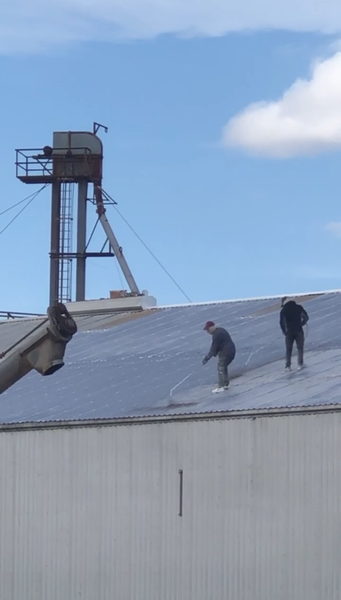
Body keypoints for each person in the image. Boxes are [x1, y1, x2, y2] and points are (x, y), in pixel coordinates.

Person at [202, 321, 236, 393]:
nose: (208, 332)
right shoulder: (220, 330)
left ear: (212, 327)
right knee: (223, 367)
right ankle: (226, 384)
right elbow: (217, 347)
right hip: (231, 350)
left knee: (221, 367)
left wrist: (207, 358)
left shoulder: (217, 334)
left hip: (226, 352)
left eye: (208, 329)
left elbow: (214, 347)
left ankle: (221, 386)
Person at [280, 297, 309, 371]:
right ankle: (300, 364)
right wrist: (301, 324)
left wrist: (285, 332)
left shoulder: (283, 311)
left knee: (288, 349)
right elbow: (306, 317)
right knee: (300, 348)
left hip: (289, 332)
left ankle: (288, 366)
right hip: (299, 330)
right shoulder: (299, 307)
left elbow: (282, 323)